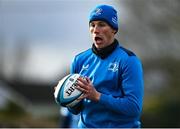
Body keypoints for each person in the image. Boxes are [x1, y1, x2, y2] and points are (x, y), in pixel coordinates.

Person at [67, 4, 144, 128]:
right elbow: (75, 110)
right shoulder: (79, 60)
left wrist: (97, 96)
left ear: (114, 29)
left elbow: (133, 107)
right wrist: (66, 98)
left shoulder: (129, 60)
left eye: (102, 25)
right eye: (92, 25)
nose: (96, 30)